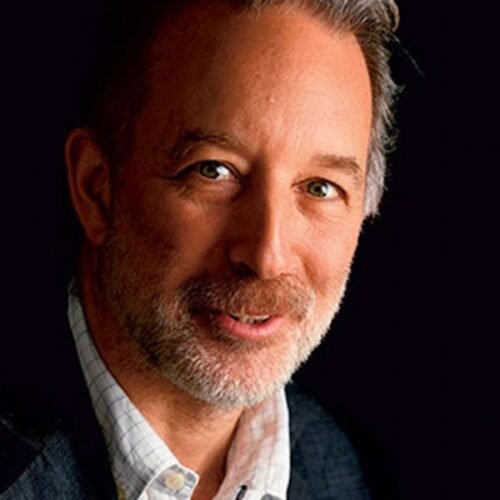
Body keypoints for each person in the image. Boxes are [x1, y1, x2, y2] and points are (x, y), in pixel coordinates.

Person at [0, 0, 399, 498]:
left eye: (320, 188)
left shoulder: (352, 477)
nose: (267, 256)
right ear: (97, 189)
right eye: (214, 170)